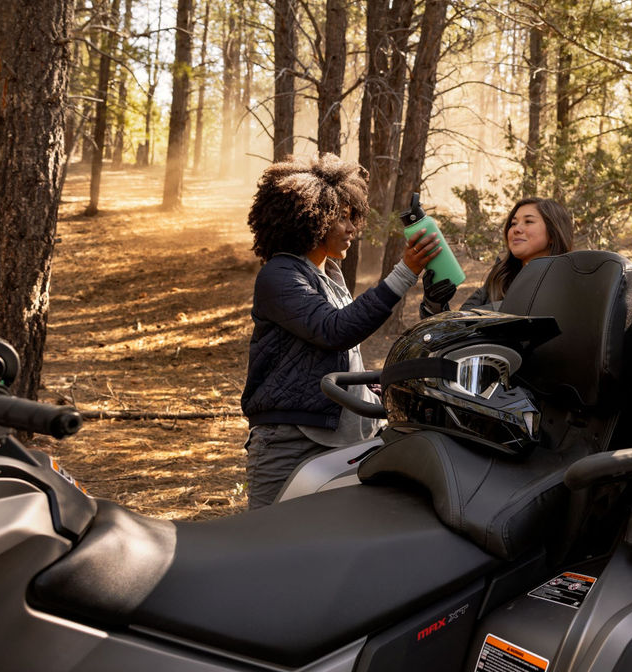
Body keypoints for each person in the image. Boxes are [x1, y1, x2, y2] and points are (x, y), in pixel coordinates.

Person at [241, 153, 442, 509]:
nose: (352, 229)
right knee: (264, 548)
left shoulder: (331, 277)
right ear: (313, 220)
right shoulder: (279, 275)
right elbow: (333, 330)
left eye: (354, 218)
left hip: (343, 442)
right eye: (342, 219)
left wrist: (367, 387)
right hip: (290, 443)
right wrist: (405, 271)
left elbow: (330, 353)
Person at [419, 197, 574, 316]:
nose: (516, 229)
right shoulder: (498, 279)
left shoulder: (571, 283)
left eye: (528, 221)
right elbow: (457, 329)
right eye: (513, 223)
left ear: (553, 234)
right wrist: (434, 305)